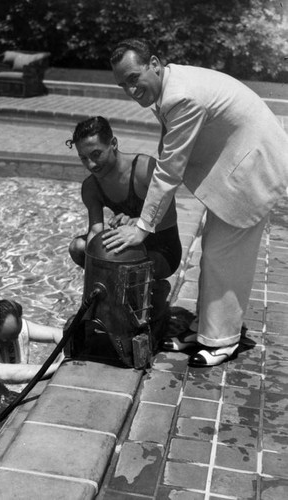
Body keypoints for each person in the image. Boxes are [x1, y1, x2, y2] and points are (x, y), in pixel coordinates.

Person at [103, 37, 288, 367]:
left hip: (254, 171)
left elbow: (170, 169)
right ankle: (206, 328)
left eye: (134, 78)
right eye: (122, 85)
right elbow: (166, 155)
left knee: (224, 255)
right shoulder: (172, 84)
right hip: (244, 164)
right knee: (214, 250)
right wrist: (141, 214)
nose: (130, 90)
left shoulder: (181, 96)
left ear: (155, 64)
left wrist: (142, 228)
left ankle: (222, 341)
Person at [66, 115, 182, 280]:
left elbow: (170, 218)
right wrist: (93, 265)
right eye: (84, 158)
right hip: (127, 247)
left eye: (96, 154)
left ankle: (152, 288)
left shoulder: (143, 170)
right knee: (78, 248)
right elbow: (95, 231)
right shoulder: (91, 187)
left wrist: (137, 223)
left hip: (162, 251)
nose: (91, 164)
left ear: (113, 144)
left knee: (123, 265)